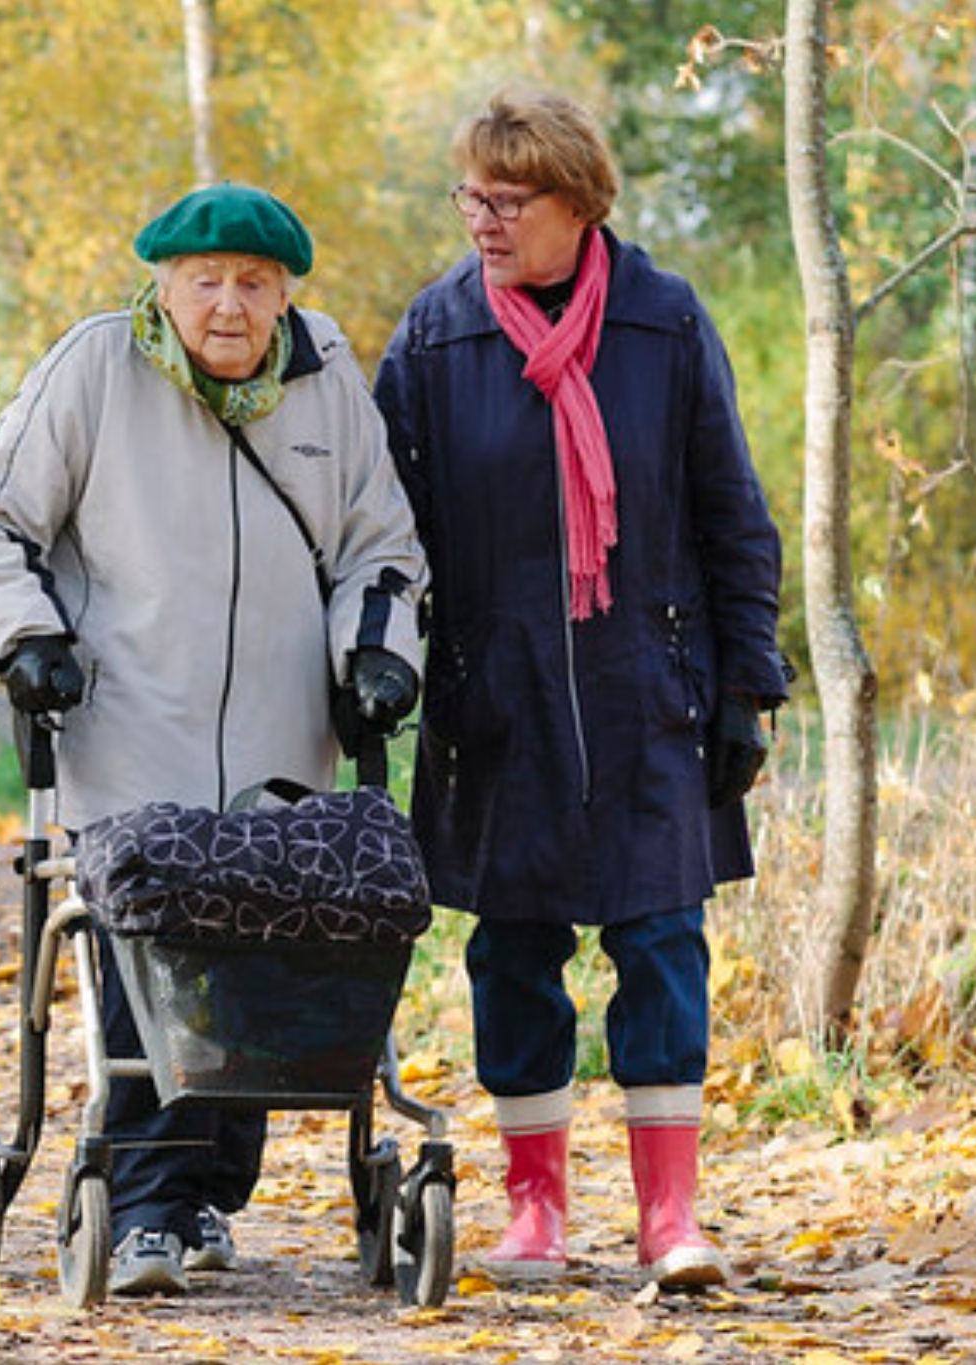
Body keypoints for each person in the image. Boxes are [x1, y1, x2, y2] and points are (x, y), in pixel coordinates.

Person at [0, 183, 428, 1296]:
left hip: (280, 747)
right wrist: (29, 639)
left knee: (256, 972)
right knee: (146, 956)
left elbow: (382, 548)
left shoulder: (323, 379)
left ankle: (201, 1194)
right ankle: (149, 1204)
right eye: (205, 280)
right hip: (126, 735)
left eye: (253, 284)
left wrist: (378, 653)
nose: (228, 305)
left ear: (284, 293)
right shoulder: (96, 365)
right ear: (164, 286)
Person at [374, 87, 789, 1289]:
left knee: (661, 943)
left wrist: (745, 683)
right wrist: (395, 663)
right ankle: (534, 1214)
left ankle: (668, 1221)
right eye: (469, 198)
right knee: (512, 952)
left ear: (577, 204)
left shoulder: (660, 321)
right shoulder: (437, 334)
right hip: (491, 699)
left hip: (647, 687)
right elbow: (380, 528)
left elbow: (731, 514)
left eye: (507, 202)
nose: (482, 222)